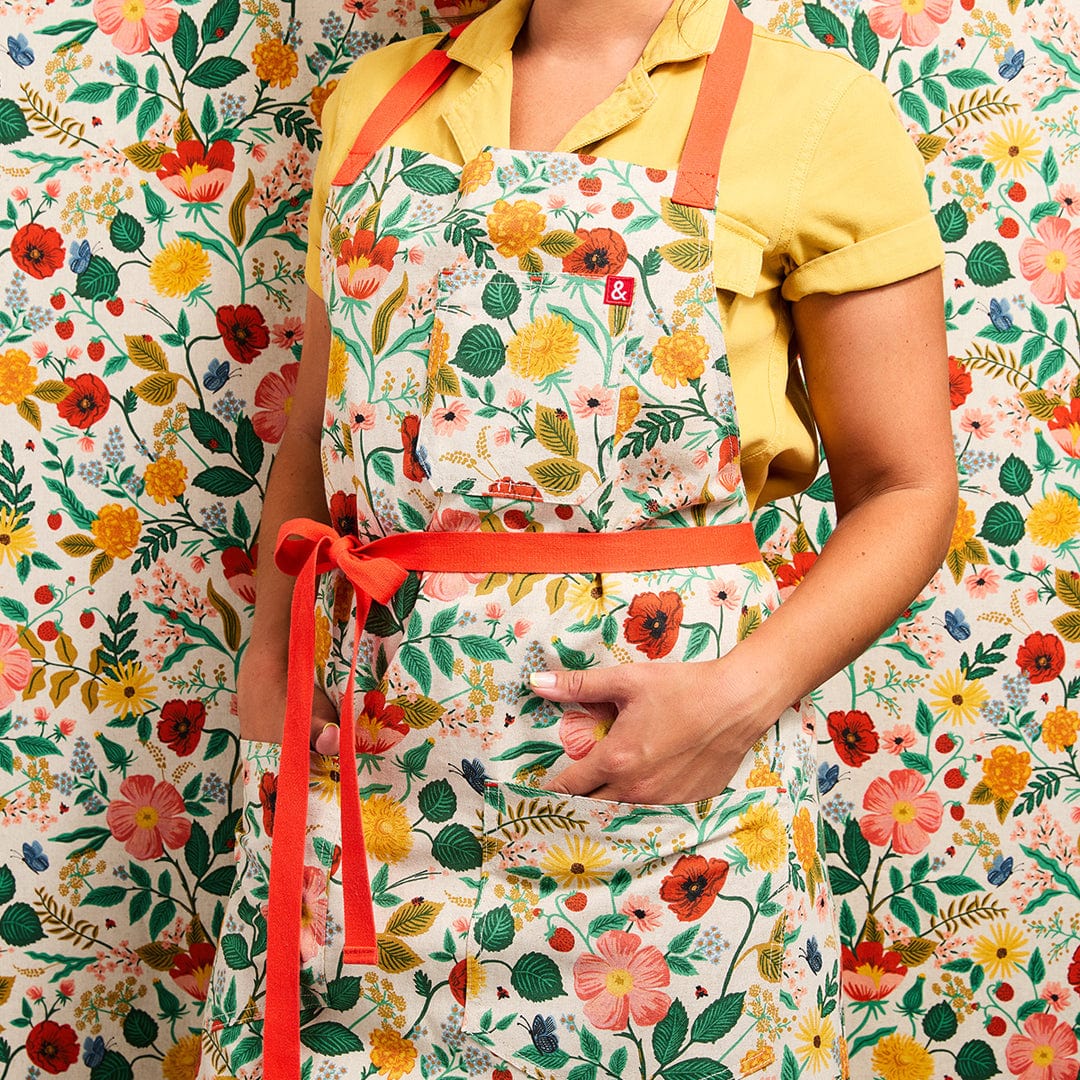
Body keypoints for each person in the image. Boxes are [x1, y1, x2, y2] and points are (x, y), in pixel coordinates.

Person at [197, 1, 957, 1078]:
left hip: (654, 812)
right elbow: (320, 440)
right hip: (367, 799)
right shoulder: (376, 103)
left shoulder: (816, 111)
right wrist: (272, 658)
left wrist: (741, 697)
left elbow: (909, 484)